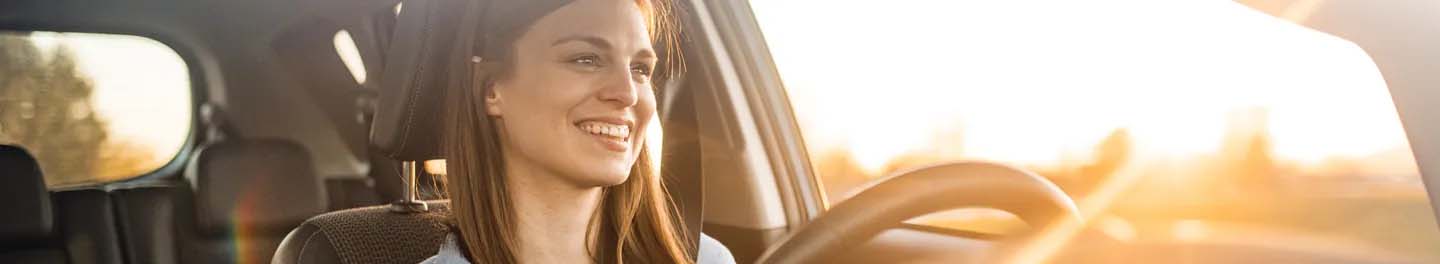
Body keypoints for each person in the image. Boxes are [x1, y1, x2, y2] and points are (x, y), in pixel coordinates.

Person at [422, 0, 734, 263]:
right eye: (586, 59)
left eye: (640, 69)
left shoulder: (706, 259)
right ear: (492, 89)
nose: (628, 93)